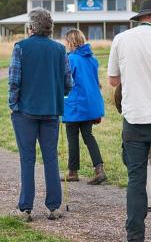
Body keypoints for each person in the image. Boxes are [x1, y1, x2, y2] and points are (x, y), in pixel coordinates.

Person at [107, 0, 151, 242]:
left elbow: (113, 80)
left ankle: (135, 235)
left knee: (136, 179)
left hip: (133, 118)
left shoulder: (121, 40)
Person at [8, 7, 72, 222]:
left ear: (31, 27)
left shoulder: (21, 48)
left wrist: (13, 104)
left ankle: (25, 208)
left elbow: (14, 80)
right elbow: (67, 83)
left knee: (27, 159)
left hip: (25, 111)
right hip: (51, 111)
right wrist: (56, 94)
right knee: (50, 158)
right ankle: (53, 207)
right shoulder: (60, 50)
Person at [62, 28, 106, 185]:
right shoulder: (92, 59)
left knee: (72, 137)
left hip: (75, 105)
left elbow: (65, 82)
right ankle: (99, 169)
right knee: (88, 136)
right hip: (89, 105)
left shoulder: (71, 59)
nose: (65, 44)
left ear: (71, 42)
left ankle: (73, 172)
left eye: (66, 41)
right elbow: (96, 82)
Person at [114, 84, 151, 211]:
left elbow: (118, 97)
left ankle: (149, 199)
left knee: (140, 163)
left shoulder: (129, 75)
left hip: (134, 121)